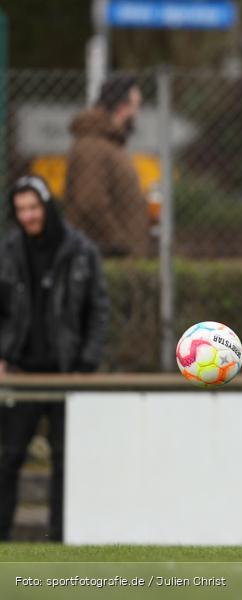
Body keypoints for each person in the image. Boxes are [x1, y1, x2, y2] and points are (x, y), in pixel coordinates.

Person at [0, 175, 109, 542]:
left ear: (47, 206)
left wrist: (86, 364)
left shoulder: (80, 251)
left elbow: (98, 310)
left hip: (67, 373)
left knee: (66, 459)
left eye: (33, 208)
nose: (28, 216)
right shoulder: (8, 251)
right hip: (21, 372)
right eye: (20, 210)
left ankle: (61, 537)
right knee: (9, 455)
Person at [65, 76, 148, 257]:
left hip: (115, 256)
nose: (138, 113)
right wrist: (119, 243)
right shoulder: (91, 146)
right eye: (136, 106)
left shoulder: (109, 145)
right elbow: (90, 201)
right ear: (122, 107)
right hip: (104, 257)